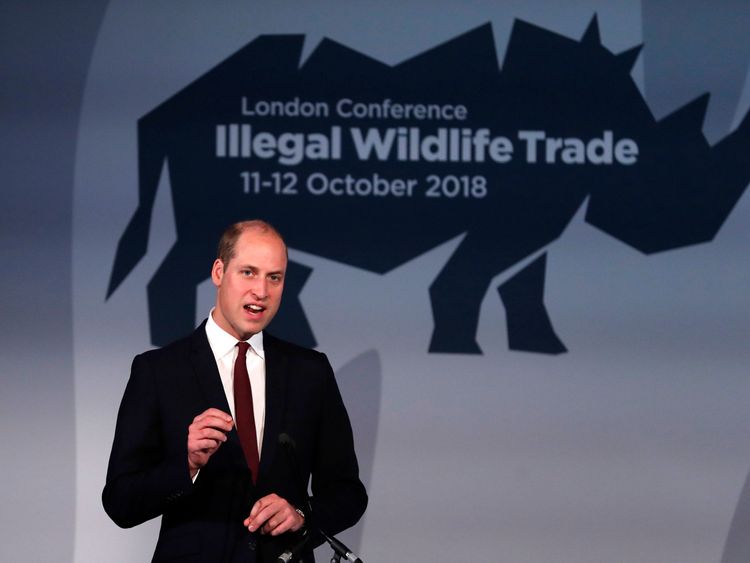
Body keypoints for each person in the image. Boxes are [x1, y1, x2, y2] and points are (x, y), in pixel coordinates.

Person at [103, 220, 367, 562]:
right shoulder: (158, 371)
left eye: (274, 277)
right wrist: (187, 464)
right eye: (248, 273)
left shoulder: (310, 372)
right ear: (218, 272)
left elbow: (348, 493)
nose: (261, 291)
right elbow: (120, 502)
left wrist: (302, 517)